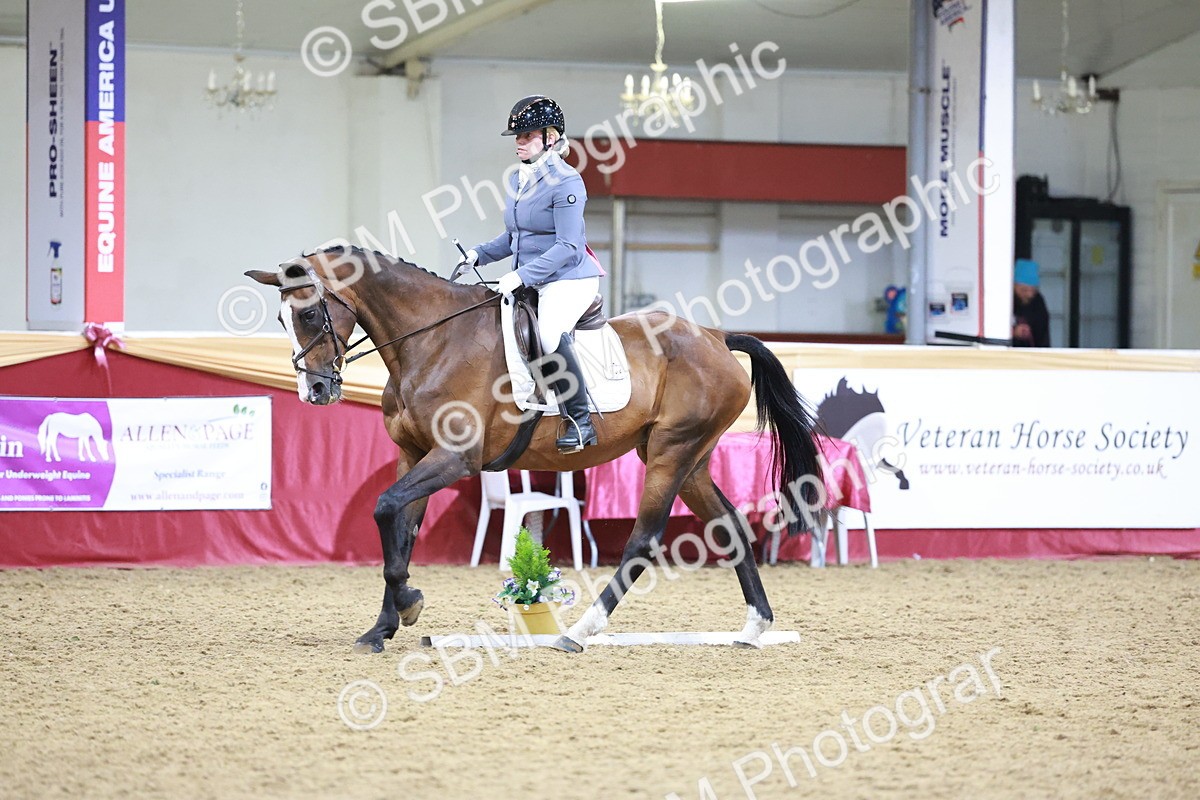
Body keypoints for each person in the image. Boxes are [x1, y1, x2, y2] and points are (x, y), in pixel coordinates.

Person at [454, 95, 603, 454]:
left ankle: (580, 421)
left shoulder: (567, 182)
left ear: (550, 138)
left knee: (549, 334)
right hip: (534, 278)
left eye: (527, 136)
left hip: (569, 278)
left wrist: (520, 276)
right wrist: (479, 254)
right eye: (517, 137)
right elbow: (514, 237)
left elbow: (569, 246)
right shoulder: (518, 179)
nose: (518, 143)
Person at [1012, 258, 1051, 347]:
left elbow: (1043, 334)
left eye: (1033, 290)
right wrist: (1013, 332)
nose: (1029, 295)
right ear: (1014, 285)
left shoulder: (1038, 301)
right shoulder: (1005, 300)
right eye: (1024, 290)